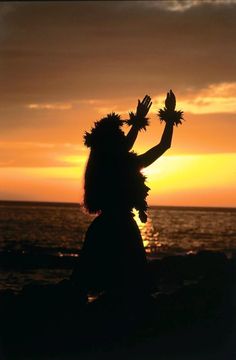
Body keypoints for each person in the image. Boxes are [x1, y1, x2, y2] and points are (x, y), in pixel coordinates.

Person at [71, 90, 183, 298]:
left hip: (104, 228)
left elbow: (123, 147)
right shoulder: (124, 166)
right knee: (131, 288)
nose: (124, 137)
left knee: (92, 286)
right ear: (112, 144)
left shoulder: (101, 167)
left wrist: (139, 119)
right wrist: (169, 115)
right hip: (122, 229)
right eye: (119, 135)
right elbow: (163, 146)